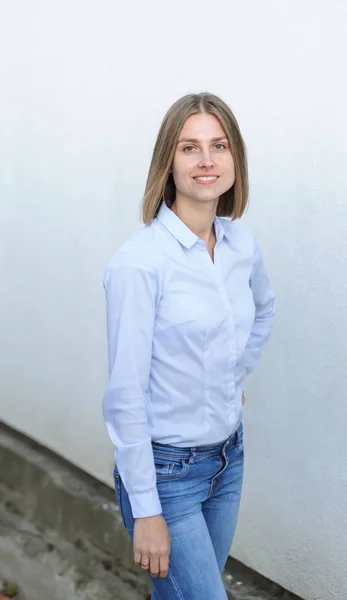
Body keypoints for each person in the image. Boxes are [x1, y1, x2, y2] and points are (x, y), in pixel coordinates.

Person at [102, 92, 275, 600]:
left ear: (235, 159)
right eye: (189, 147)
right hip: (166, 475)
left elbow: (264, 310)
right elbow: (125, 394)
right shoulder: (140, 264)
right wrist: (147, 510)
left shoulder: (241, 245)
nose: (206, 160)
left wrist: (232, 375)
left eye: (219, 145)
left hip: (228, 460)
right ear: (168, 163)